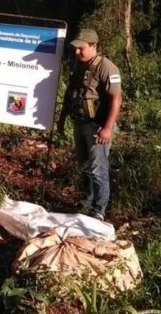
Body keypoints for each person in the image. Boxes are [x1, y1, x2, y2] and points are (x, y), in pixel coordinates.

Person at [57, 28, 122, 221]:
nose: (77, 52)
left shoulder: (107, 67)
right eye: (75, 49)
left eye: (81, 49)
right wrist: (61, 120)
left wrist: (108, 128)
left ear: (94, 46)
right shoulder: (79, 66)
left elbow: (116, 99)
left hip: (97, 127)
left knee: (98, 169)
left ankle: (98, 211)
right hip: (80, 123)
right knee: (85, 165)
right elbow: (70, 94)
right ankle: (88, 200)